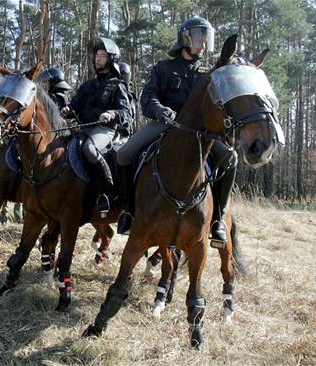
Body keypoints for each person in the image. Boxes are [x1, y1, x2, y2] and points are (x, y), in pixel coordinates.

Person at [115, 16, 237, 244]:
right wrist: (160, 110)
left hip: (202, 134)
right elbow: (148, 97)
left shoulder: (210, 73)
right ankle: (128, 210)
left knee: (231, 158)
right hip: (165, 124)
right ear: (185, 38)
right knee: (123, 154)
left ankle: (218, 220)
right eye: (199, 36)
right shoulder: (163, 68)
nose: (203, 42)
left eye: (206, 37)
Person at [61, 36, 135, 206]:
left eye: (102, 55)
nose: (97, 58)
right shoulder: (87, 85)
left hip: (106, 130)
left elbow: (126, 114)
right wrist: (68, 110)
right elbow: (74, 106)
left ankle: (107, 192)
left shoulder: (117, 85)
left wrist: (111, 114)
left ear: (111, 59)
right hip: (83, 129)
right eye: (96, 55)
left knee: (89, 148)